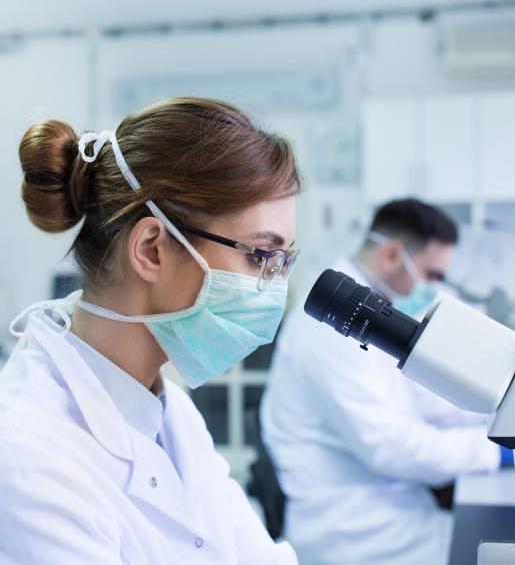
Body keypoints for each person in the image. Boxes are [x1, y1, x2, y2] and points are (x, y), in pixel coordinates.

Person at [0, 98, 302, 564]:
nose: (275, 285)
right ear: (152, 250)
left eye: (284, 260)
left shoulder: (172, 412)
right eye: (261, 256)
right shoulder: (29, 454)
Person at [261, 198, 502, 565]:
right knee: (495, 548)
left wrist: (501, 419)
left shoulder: (373, 312)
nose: (436, 287)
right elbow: (388, 445)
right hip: (357, 532)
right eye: (433, 274)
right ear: (393, 255)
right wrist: (494, 452)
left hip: (392, 509)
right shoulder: (332, 325)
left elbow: (420, 402)